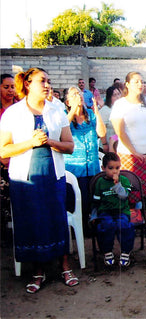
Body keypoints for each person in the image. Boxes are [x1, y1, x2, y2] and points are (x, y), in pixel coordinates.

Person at [0, 67, 78, 293]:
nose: (47, 85)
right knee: (31, 222)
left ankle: (65, 267)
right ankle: (38, 271)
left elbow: (70, 146)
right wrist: (31, 143)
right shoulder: (12, 113)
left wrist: (50, 142)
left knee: (57, 219)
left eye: (48, 81)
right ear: (27, 84)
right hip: (24, 178)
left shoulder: (57, 111)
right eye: (42, 81)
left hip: (53, 175)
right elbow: (4, 151)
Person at [110, 71, 146, 236]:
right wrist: (133, 152)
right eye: (136, 81)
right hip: (128, 156)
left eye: (142, 81)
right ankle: (131, 220)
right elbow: (120, 131)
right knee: (129, 192)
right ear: (127, 84)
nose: (140, 84)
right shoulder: (120, 104)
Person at [64, 86, 106, 235]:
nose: (79, 97)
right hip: (75, 167)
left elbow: (101, 133)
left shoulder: (90, 114)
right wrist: (72, 111)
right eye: (74, 95)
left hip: (92, 166)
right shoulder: (64, 116)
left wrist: (96, 110)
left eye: (80, 94)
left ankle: (91, 227)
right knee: (77, 200)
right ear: (68, 101)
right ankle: (77, 230)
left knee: (92, 199)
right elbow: (63, 130)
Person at [91, 152, 135, 267]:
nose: (115, 171)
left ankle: (125, 251)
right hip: (105, 211)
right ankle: (107, 251)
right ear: (103, 168)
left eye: (117, 168)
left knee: (124, 225)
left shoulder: (124, 180)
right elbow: (96, 201)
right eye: (111, 168)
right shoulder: (100, 182)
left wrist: (117, 185)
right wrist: (94, 215)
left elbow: (124, 196)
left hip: (122, 211)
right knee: (106, 225)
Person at [99, 86, 122, 152]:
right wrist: (104, 144)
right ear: (109, 97)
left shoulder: (122, 108)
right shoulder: (105, 110)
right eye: (114, 95)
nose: (118, 97)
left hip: (119, 146)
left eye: (118, 94)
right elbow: (101, 129)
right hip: (108, 146)